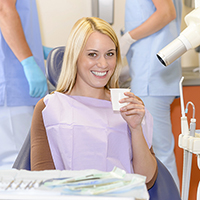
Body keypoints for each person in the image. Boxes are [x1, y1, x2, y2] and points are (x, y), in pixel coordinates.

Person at [31, 17, 157, 189]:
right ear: (75, 56)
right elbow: (42, 180)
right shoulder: (50, 107)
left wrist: (136, 129)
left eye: (110, 54)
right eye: (92, 54)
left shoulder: (128, 104)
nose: (103, 64)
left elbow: (147, 180)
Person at [119, 0, 182, 189]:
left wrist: (128, 38)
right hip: (153, 75)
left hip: (151, 78)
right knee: (159, 153)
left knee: (159, 155)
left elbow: (166, 13)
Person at [0, 0, 49, 169]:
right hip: (11, 87)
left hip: (11, 85)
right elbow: (4, 10)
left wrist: (36, 49)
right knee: (16, 167)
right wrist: (28, 61)